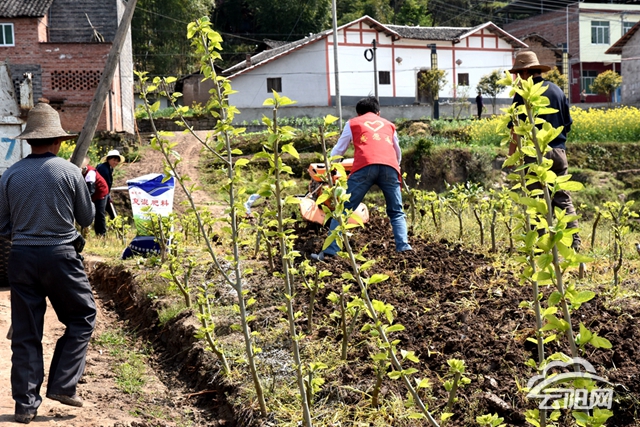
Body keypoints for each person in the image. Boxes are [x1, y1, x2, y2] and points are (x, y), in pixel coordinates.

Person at [0, 102, 96, 423]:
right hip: (61, 257)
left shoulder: (10, 174)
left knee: (26, 333)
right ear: (57, 141)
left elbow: (2, 224)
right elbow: (87, 218)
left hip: (21, 258)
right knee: (82, 317)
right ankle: (63, 385)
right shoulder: (69, 172)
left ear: (29, 140)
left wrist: (25, 231)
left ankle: (25, 406)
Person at [311, 96, 412, 261]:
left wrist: (331, 167)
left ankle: (330, 253)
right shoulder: (389, 125)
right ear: (378, 112)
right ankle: (404, 250)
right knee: (396, 211)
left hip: (365, 166)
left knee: (343, 209)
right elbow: (397, 151)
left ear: (358, 113)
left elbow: (339, 150)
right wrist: (395, 167)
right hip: (390, 167)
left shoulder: (353, 123)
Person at [507, 51, 581, 250]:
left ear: (525, 72)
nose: (518, 78)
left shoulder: (524, 95)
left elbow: (515, 129)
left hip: (535, 154)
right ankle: (574, 242)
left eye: (518, 74)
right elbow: (567, 125)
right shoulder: (557, 91)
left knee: (537, 201)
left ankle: (541, 246)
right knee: (562, 198)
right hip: (559, 152)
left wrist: (512, 156)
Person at [81, 157, 110, 236]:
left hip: (100, 191)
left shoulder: (90, 173)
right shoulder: (81, 173)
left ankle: (101, 234)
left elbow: (91, 190)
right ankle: (86, 232)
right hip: (93, 191)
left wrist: (84, 201)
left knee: (99, 213)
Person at [96, 149, 125, 220]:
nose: (116, 162)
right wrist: (107, 196)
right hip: (100, 194)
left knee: (110, 213)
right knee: (101, 215)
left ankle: (115, 224)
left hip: (104, 194)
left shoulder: (109, 168)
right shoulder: (103, 169)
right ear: (108, 159)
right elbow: (103, 184)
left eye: (117, 161)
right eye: (114, 160)